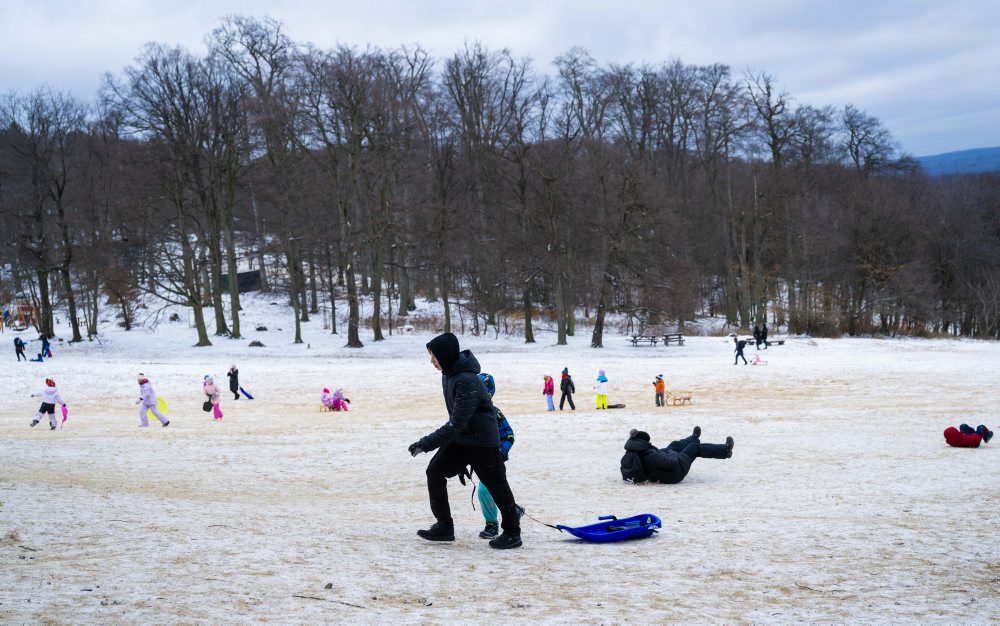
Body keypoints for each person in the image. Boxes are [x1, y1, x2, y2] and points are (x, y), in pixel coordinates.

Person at [408, 332, 523, 549]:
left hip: (482, 442)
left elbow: (456, 423)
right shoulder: (449, 374)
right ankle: (444, 527)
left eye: (434, 356)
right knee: (435, 471)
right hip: (462, 440)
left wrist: (425, 443)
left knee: (497, 485)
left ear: (445, 355)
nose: (431, 361)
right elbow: (457, 424)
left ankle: (512, 532)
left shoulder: (466, 380)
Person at [475, 373, 519, 539]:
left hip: (494, 461)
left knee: (488, 490)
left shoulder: (495, 413)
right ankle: (512, 511)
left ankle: (492, 524)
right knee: (490, 492)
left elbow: (509, 436)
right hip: (479, 460)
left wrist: (500, 453)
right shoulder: (470, 413)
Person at [620, 426, 734, 484]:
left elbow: (657, 458)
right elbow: (673, 463)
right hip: (676, 472)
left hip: (660, 469)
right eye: (649, 442)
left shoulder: (634, 450)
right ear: (644, 442)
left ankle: (693, 437)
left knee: (674, 444)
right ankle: (726, 451)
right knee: (694, 448)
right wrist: (671, 453)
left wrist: (667, 451)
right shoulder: (650, 455)